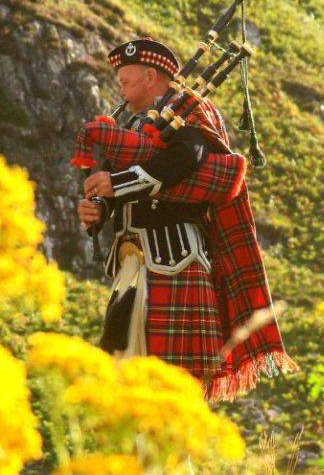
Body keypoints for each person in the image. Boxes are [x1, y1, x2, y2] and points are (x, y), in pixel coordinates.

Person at [77, 38, 297, 401]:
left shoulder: (191, 112)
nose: (120, 85)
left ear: (151, 76)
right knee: (124, 379)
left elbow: (187, 159)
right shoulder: (129, 124)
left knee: (171, 385)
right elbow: (114, 188)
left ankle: (173, 456)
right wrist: (100, 209)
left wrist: (118, 184)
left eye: (126, 79)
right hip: (131, 267)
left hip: (175, 262)